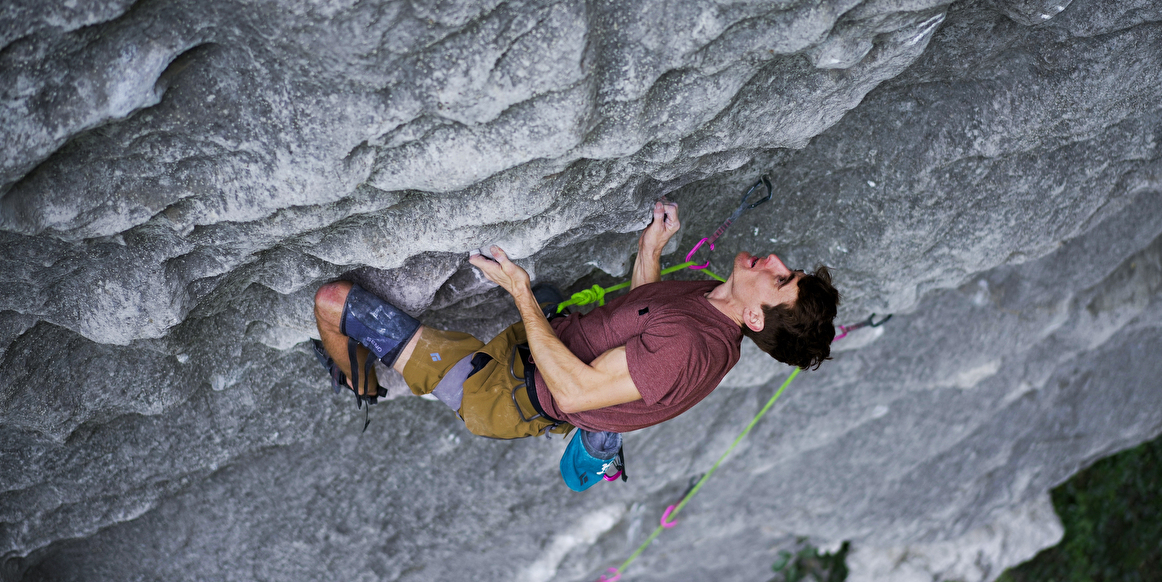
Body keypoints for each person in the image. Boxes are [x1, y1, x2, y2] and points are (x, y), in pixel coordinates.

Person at [312, 200, 840, 438]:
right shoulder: (715, 301)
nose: (772, 261)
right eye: (785, 269)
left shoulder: (692, 350)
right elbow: (646, 316)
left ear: (753, 316)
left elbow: (574, 395)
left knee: (334, 301)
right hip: (542, 350)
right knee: (543, 298)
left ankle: (357, 379)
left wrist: (517, 291)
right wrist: (649, 248)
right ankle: (541, 310)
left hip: (499, 392)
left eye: (779, 279)